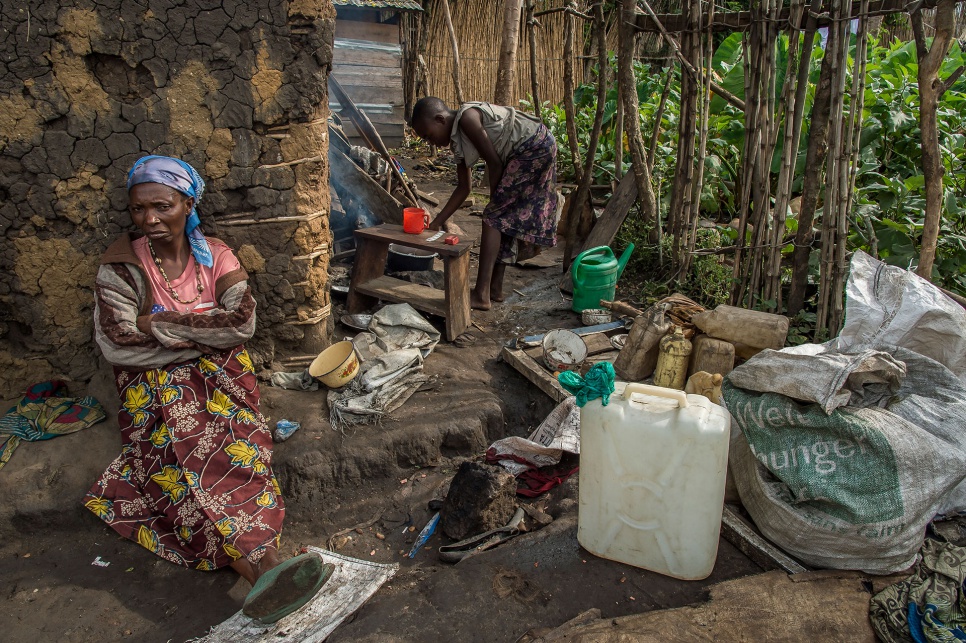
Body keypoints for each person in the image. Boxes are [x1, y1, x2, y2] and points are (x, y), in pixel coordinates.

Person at [86, 155, 330, 624]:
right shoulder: (120, 266)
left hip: (223, 386)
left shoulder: (216, 254)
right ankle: (266, 567)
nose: (149, 219)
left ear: (187, 203)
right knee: (178, 473)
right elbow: (117, 344)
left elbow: (242, 322)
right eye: (139, 210)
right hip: (153, 397)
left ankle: (263, 571)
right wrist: (201, 334)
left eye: (162, 206)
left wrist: (155, 323)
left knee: (235, 456)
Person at [410, 97, 560, 310]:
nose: (430, 142)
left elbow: (494, 163)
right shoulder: (457, 142)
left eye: (428, 135)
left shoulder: (468, 119)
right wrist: (437, 223)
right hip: (531, 148)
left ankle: (481, 295)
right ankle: (494, 289)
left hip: (534, 146)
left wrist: (494, 205)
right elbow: (464, 187)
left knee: (494, 219)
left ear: (440, 119)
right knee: (501, 220)